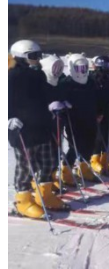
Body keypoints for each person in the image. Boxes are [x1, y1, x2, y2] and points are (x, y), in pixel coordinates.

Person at [9, 40, 69, 217]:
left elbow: (45, 95)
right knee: (26, 166)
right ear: (21, 57)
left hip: (42, 126)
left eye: (39, 56)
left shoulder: (38, 75)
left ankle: (45, 194)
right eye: (33, 56)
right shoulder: (10, 76)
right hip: (23, 130)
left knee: (48, 163)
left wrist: (54, 103)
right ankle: (23, 201)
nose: (37, 60)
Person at [61, 54, 100, 181]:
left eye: (84, 68)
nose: (82, 71)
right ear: (72, 68)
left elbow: (97, 98)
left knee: (89, 144)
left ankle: (84, 169)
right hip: (74, 120)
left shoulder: (90, 82)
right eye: (78, 69)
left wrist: (99, 112)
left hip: (90, 117)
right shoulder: (66, 83)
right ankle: (66, 171)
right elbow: (59, 98)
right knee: (75, 146)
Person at [40, 54, 74, 187]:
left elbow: (61, 94)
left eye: (60, 68)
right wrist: (49, 106)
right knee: (46, 153)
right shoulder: (41, 83)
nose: (57, 71)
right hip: (44, 125)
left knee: (56, 150)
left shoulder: (58, 83)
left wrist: (63, 102)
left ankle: (53, 176)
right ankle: (44, 178)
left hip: (58, 121)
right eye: (55, 68)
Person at [90, 55, 109, 174]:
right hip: (98, 112)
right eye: (104, 65)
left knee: (108, 134)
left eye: (107, 65)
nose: (106, 68)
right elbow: (93, 97)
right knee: (98, 136)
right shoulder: (92, 79)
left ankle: (104, 159)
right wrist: (97, 112)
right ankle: (94, 159)